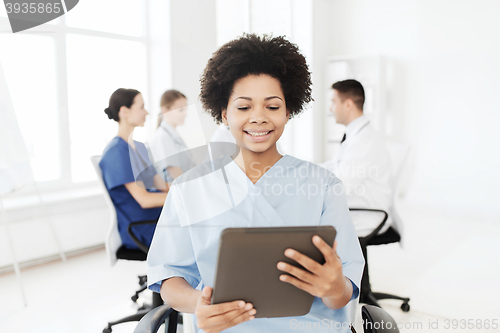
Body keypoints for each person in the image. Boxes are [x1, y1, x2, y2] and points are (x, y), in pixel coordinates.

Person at [147, 34, 364, 333]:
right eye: (244, 107)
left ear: (289, 112)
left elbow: (342, 294)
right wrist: (198, 303)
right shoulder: (189, 188)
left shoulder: (324, 186)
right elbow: (169, 277)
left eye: (272, 107)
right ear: (224, 113)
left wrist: (334, 287)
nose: (259, 118)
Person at [321, 80, 393, 237]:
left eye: (333, 102)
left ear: (348, 104)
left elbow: (341, 185)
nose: (331, 108)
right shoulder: (356, 135)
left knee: (306, 224)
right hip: (357, 206)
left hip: (367, 215)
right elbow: (335, 165)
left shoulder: (364, 141)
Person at [100, 88, 168, 250]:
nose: (146, 112)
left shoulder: (139, 147)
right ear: (124, 111)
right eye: (141, 107)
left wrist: (188, 188)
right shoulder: (116, 152)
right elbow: (144, 200)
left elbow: (161, 185)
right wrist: (181, 197)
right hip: (143, 227)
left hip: (160, 217)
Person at [149, 89, 194, 183]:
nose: (185, 114)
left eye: (186, 109)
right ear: (165, 110)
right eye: (181, 110)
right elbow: (178, 176)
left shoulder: (172, 136)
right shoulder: (162, 138)